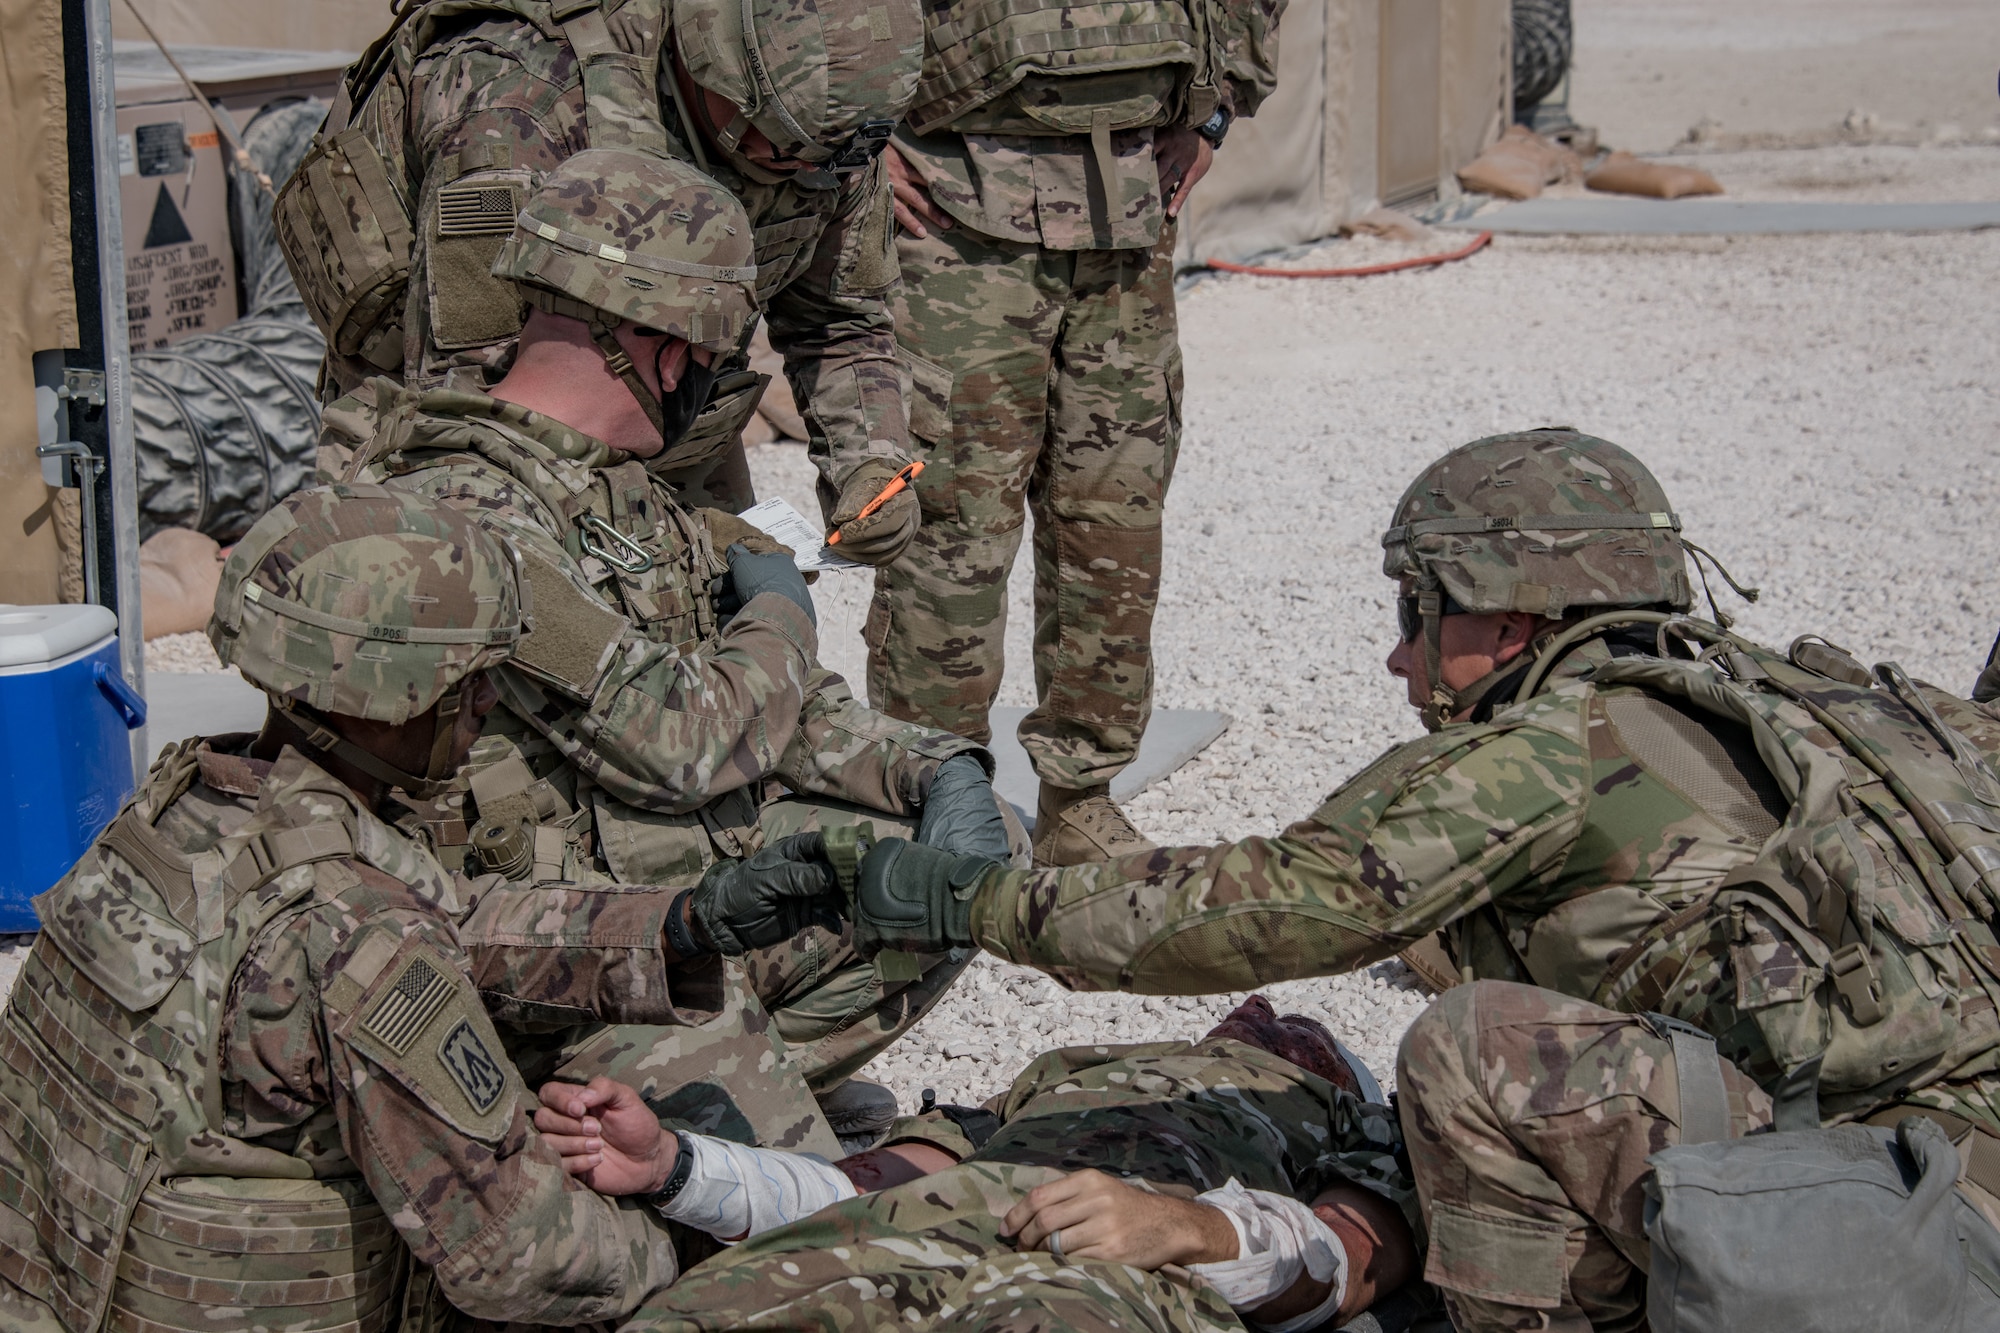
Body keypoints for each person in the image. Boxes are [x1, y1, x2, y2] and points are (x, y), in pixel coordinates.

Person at [838, 427, 2000, 1329]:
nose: (1400, 652)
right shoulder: (1839, 709)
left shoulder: (1552, 750)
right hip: (1942, 1169)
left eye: (1416, 612)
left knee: (1470, 1046)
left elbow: (1262, 909)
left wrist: (969, 898)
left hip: (1907, 1231)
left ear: (1510, 616)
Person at [0, 485, 858, 1333]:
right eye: (470, 679)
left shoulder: (183, 806)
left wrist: (677, 926)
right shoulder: (358, 932)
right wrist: (682, 1231)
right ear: (394, 693)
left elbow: (449, 916)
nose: (487, 701)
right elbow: (519, 1257)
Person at [322, 147, 1012, 1152]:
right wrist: (780, 609)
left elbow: (778, 703)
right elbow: (682, 736)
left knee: (963, 852)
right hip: (534, 966)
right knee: (807, 1238)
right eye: (716, 352)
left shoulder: (602, 484)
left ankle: (738, 1098)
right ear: (656, 342)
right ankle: (554, 1130)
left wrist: (937, 766)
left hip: (648, 901)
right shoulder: (467, 523)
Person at [865, 0, 1285, 864]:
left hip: (1128, 202)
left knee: (1111, 524)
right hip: (956, 200)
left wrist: (1216, 108)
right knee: (951, 524)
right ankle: (934, 801)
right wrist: (844, 137)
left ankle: (1079, 798)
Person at [278, 0, 926, 534]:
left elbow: (840, 320)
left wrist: (870, 462)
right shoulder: (522, 106)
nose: (815, 173)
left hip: (663, 400)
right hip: (459, 436)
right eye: (786, 150)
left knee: (739, 636)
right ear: (712, 70)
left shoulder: (825, 132)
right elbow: (476, 398)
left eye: (834, 155)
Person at [532, 994, 1428, 1332]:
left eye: (1291, 1028)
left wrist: (1191, 1228)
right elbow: (863, 1184)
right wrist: (679, 1167)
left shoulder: (1347, 1116)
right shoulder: (1071, 1075)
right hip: (892, 1244)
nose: (1259, 1011)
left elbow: (1347, 1262)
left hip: (1098, 1287)